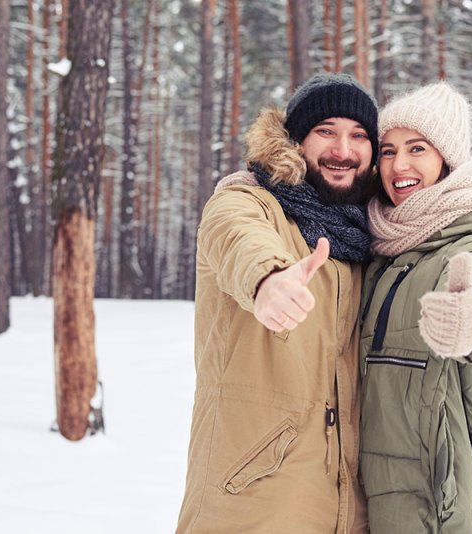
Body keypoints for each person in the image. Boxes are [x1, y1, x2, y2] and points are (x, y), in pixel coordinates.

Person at [176, 73, 377, 533]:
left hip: (350, 507)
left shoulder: (370, 237)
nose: (343, 150)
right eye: (326, 131)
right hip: (252, 501)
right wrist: (267, 279)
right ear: (295, 140)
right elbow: (236, 235)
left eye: (359, 135)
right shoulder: (250, 201)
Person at [358, 82, 472, 533]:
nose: (399, 165)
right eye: (388, 151)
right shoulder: (379, 243)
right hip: (378, 491)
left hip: (450, 492)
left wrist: (469, 314)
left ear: (447, 159)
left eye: (417, 148)